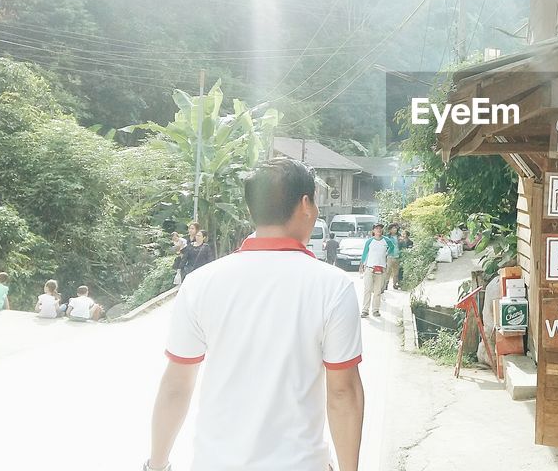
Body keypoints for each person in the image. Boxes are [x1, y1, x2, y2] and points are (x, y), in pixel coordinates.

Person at [146, 157, 363, 471]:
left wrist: (156, 465)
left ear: (252, 210)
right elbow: (343, 391)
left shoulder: (200, 284)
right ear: (306, 204)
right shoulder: (333, 286)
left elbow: (176, 386)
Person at [359, 223, 393, 318]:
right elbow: (365, 253)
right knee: (367, 290)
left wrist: (386, 254)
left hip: (381, 269)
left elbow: (392, 247)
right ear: (373, 230)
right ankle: (365, 310)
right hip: (370, 268)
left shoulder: (386, 241)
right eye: (376, 229)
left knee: (378, 291)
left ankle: (375, 310)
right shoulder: (369, 241)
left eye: (380, 229)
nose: (378, 230)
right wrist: (361, 265)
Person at [384, 223, 402, 290]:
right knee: (388, 271)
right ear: (390, 230)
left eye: (395, 228)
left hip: (397, 256)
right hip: (390, 256)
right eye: (393, 228)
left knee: (396, 272)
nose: (395, 230)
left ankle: (395, 284)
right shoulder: (387, 237)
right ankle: (386, 284)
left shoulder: (399, 236)